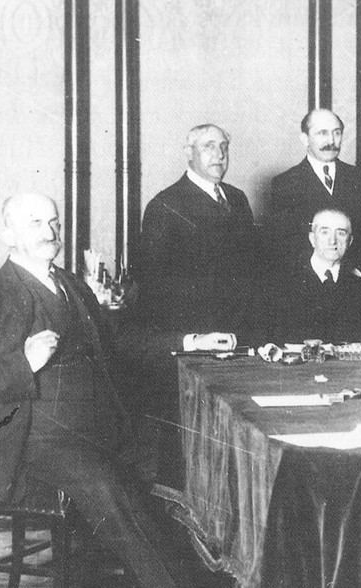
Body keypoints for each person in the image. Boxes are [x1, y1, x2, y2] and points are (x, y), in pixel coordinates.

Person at [0, 193, 192, 587]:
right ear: (8, 235)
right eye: (35, 223)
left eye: (54, 222)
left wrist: (189, 340)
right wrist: (23, 363)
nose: (49, 232)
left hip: (95, 429)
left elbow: (117, 343)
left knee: (160, 476)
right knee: (108, 488)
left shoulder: (72, 285)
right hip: (30, 439)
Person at [126, 123, 254, 485]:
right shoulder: (166, 205)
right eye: (209, 146)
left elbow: (251, 270)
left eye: (224, 146)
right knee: (188, 445)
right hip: (193, 343)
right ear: (189, 153)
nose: (219, 154)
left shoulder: (237, 200)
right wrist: (191, 338)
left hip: (235, 338)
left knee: (233, 437)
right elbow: (153, 287)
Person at [264, 108, 361, 264]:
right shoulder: (285, 183)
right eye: (322, 133)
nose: (331, 141)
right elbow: (283, 245)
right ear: (305, 139)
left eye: (337, 133)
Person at [257, 209, 361, 343]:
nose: (332, 241)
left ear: (350, 241)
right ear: (312, 239)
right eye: (324, 232)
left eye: (341, 233)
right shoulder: (282, 283)